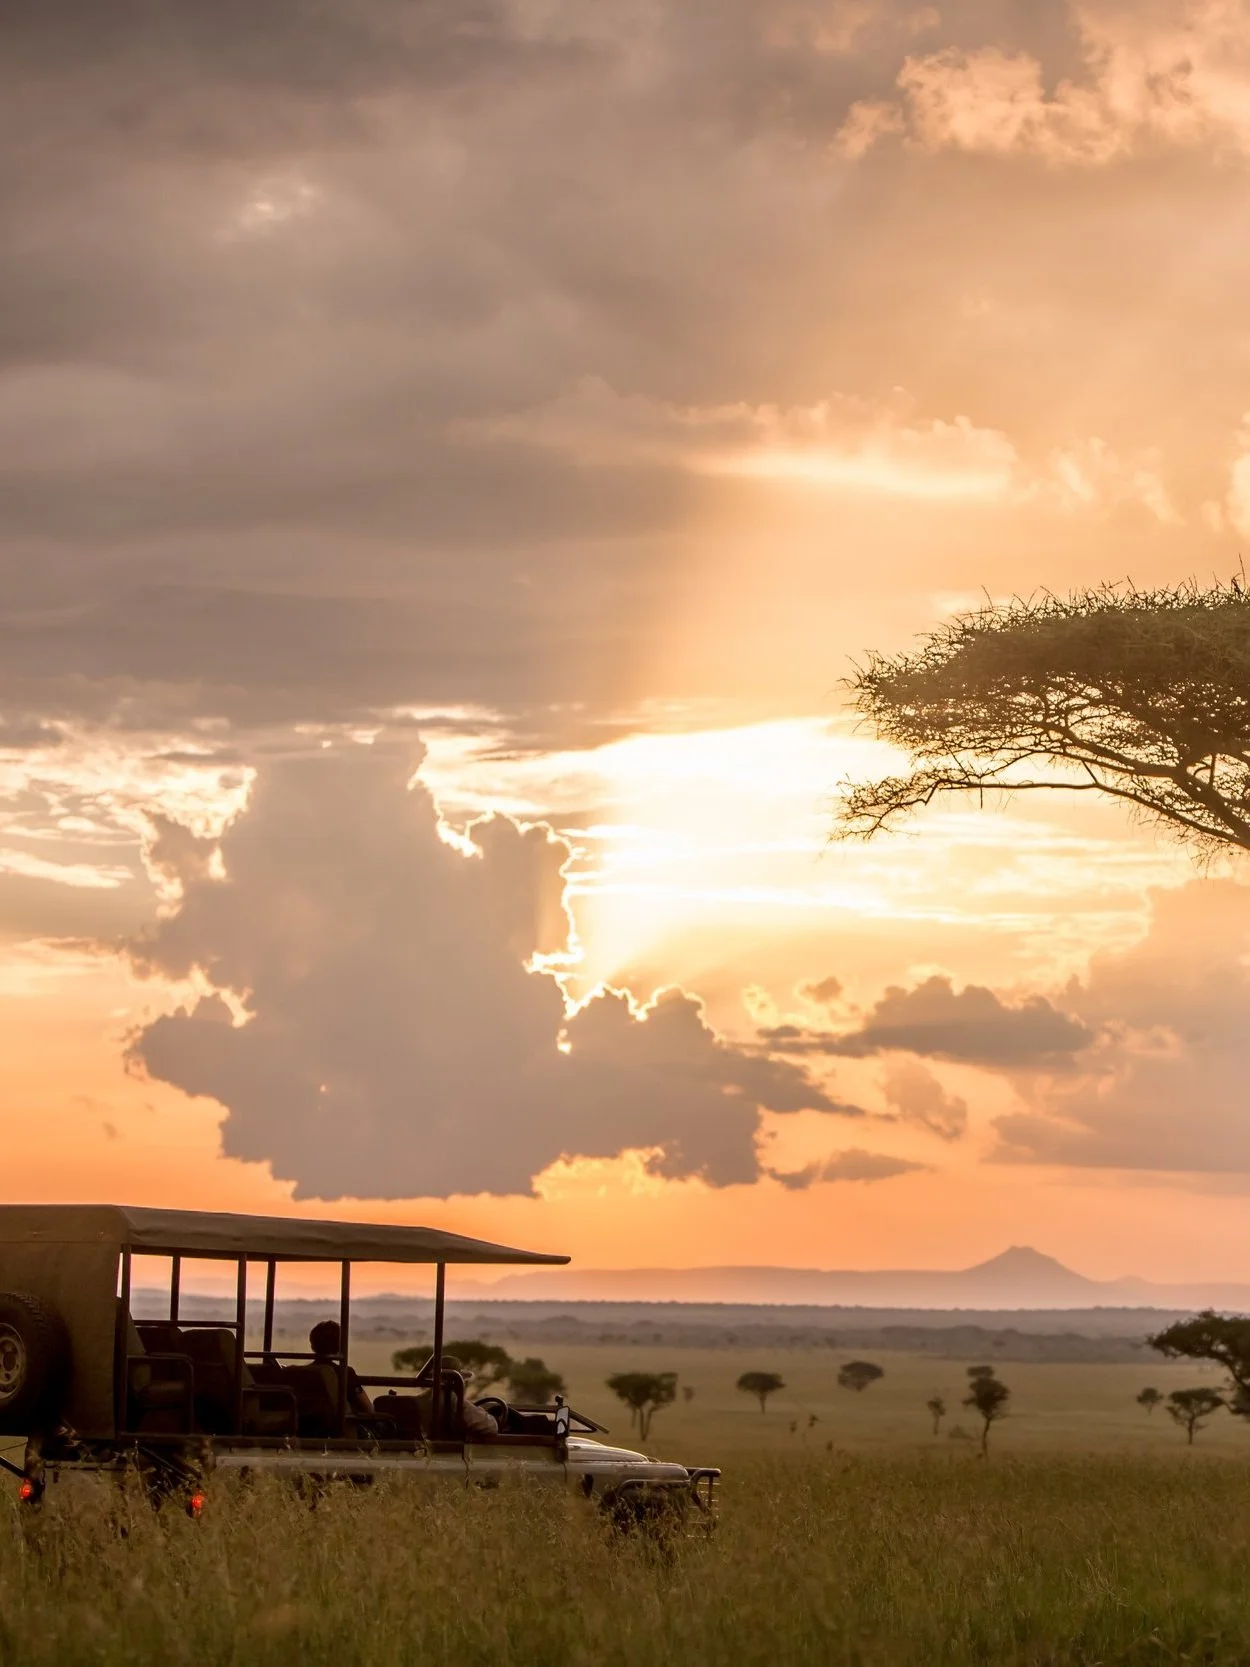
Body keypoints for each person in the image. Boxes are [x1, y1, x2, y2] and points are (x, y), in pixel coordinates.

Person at [309, 1319, 374, 1416]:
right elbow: (368, 1409)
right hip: (339, 1428)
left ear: (313, 1345)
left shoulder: (301, 1373)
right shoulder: (344, 1373)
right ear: (339, 1345)